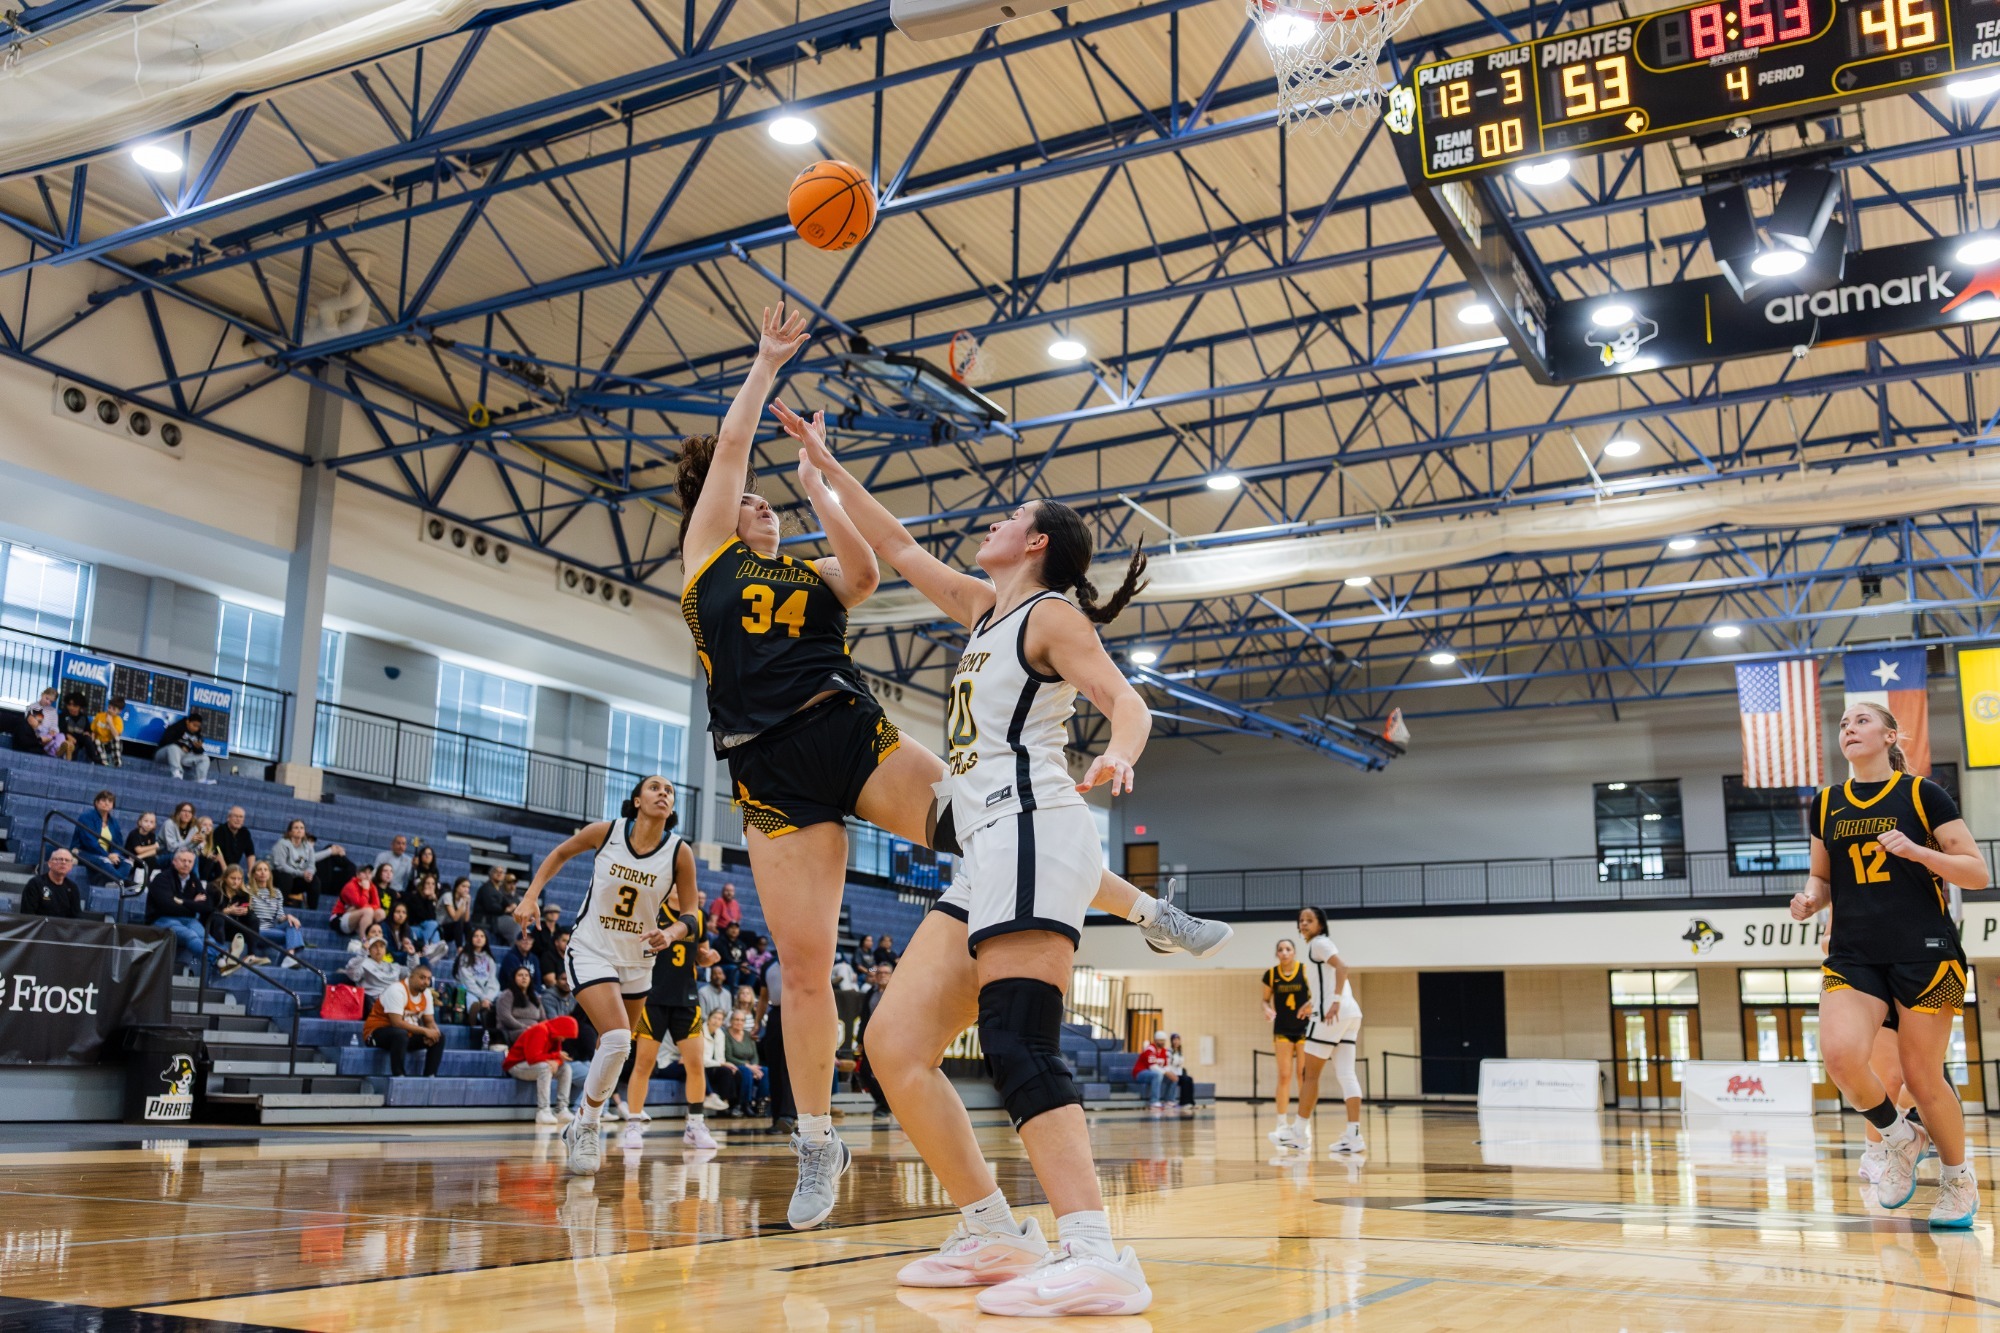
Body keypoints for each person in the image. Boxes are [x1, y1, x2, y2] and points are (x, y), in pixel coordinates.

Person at [733, 389, 1228, 1234]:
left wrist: (1120, 752)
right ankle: (994, 1228)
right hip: (989, 844)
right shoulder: (980, 605)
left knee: (1017, 1045)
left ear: (1034, 543)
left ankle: (1093, 1248)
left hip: (1033, 822)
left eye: (1010, 516)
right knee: (892, 1046)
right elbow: (892, 543)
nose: (993, 521)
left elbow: (1125, 699)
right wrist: (824, 467)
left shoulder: (1052, 613)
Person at [1788, 701, 1989, 1227]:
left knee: (1923, 1078)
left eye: (1861, 721)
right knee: (1839, 1056)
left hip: (1925, 951)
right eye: (1842, 724)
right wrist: (1811, 898)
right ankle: (1901, 1138)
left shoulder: (1923, 794)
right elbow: (1823, 876)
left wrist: (1921, 854)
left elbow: (1975, 872)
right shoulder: (1826, 802)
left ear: (1891, 736)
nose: (1848, 729)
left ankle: (1957, 1179)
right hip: (1854, 953)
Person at [512, 775, 699, 1176]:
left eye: (669, 790)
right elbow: (561, 853)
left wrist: (671, 932)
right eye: (654, 787)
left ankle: (581, 1119)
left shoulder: (679, 852)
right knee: (616, 1038)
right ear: (636, 800)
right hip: (592, 949)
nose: (663, 793)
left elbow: (691, 913)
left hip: (638, 959)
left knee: (615, 1050)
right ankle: (589, 1128)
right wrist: (531, 896)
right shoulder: (608, 832)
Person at [623, 845, 718, 1153]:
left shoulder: (697, 918)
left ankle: (695, 1125)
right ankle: (634, 1124)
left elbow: (699, 956)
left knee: (695, 1064)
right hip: (653, 996)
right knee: (643, 1064)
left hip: (687, 998)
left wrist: (708, 958)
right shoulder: (652, 910)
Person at [1276, 906, 1365, 1156]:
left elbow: (1342, 967)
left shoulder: (1319, 943)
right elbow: (1327, 981)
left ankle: (1299, 1133)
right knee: (1347, 1074)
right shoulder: (1321, 944)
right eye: (1301, 920)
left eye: (1309, 920)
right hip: (1351, 1012)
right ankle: (1353, 1135)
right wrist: (1312, 1003)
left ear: (1320, 924)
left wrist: (1333, 1001)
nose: (1304, 924)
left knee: (1309, 1074)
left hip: (1333, 1013)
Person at [1263, 939, 1312, 1146]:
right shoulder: (1271, 974)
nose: (1284, 952)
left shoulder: (1305, 970)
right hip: (1282, 1029)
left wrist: (1310, 1005)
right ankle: (1281, 1122)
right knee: (1284, 1076)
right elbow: (1265, 1000)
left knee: (1303, 1076)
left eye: (1288, 949)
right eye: (1280, 949)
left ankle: (1304, 1123)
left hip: (1304, 1028)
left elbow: (1316, 996)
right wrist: (1265, 1008)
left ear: (1294, 952)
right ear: (1277, 954)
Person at [365, 962, 443, 1078]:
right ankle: (399, 1075)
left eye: (428, 979)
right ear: (411, 977)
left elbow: (430, 1021)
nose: (426, 982)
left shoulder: (426, 993)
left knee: (439, 1037)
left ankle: (430, 1076)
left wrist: (434, 1033)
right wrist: (425, 1031)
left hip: (405, 1036)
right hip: (377, 1033)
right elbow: (396, 1023)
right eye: (422, 978)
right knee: (400, 1034)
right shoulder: (397, 990)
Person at [505, 1014, 579, 1125]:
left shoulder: (555, 1035)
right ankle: (543, 1110)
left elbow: (557, 1057)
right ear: (561, 1029)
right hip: (516, 1065)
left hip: (535, 1065)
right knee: (545, 1068)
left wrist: (556, 1060)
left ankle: (561, 1109)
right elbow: (533, 1057)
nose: (564, 1039)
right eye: (565, 1036)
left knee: (566, 1069)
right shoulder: (540, 1030)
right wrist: (554, 1057)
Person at [145, 848, 210, 971]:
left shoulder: (194, 879)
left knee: (206, 937)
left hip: (187, 919)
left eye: (190, 861)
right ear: (174, 861)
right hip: (161, 919)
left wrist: (183, 902)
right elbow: (167, 907)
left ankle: (222, 959)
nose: (187, 864)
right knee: (190, 935)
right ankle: (216, 960)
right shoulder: (162, 879)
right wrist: (193, 905)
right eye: (183, 860)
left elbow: (205, 906)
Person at [245, 860, 308, 968]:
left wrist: (289, 916)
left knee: (291, 923)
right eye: (259, 870)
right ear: (254, 874)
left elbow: (280, 917)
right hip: (255, 931)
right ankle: (289, 958)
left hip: (271, 930)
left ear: (269, 874)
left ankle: (289, 957)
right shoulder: (248, 890)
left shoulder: (276, 893)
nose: (263, 872)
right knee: (290, 935)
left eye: (265, 870)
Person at [271, 819, 341, 905]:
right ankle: (280, 906)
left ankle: (312, 910)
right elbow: (281, 866)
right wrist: (301, 873)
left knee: (314, 880)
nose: (299, 830)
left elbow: (311, 865)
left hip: (295, 879)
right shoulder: (282, 844)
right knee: (287, 877)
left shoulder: (308, 846)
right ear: (290, 832)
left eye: (302, 828)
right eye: (296, 828)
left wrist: (309, 874)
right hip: (277, 876)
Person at [68, 789, 128, 886]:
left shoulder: (113, 822)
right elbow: (89, 842)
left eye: (110, 801)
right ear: (96, 802)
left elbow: (118, 843)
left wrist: (115, 854)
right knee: (105, 862)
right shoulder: (86, 817)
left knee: (127, 863)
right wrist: (107, 855)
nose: (107, 803)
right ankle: (123, 882)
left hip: (107, 855)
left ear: (113, 805)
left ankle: (112, 881)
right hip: (84, 851)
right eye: (103, 800)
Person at [457, 928, 503, 1045]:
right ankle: (474, 1017)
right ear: (470, 939)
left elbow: (493, 980)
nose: (479, 938)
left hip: (487, 992)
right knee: (471, 999)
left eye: (482, 936)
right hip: (471, 990)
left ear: (486, 940)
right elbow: (467, 981)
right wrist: (483, 997)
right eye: (476, 936)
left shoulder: (489, 958)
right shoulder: (465, 957)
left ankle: (494, 1020)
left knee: (503, 997)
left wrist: (488, 998)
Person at [723, 1009, 766, 1115]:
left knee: (766, 1071)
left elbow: (754, 1055)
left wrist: (754, 1066)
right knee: (746, 1071)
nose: (739, 1022)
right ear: (731, 1021)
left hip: (750, 1065)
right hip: (734, 1065)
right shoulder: (726, 1035)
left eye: (742, 1020)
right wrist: (749, 1066)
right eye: (736, 1020)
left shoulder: (748, 1035)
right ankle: (745, 1104)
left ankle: (760, 1102)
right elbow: (728, 1056)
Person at [21, 848, 84, 918]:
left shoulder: (72, 888)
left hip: (63, 928)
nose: (63, 862)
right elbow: (27, 915)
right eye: (59, 859)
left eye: (67, 860)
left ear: (71, 867)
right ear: (49, 864)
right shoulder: (35, 884)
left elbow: (77, 917)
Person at [332, 863, 392, 937]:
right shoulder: (351, 885)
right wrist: (365, 889)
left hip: (356, 917)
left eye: (369, 873)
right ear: (358, 874)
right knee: (368, 911)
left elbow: (377, 905)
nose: (367, 875)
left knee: (381, 912)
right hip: (339, 918)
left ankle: (375, 937)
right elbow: (360, 904)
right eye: (364, 872)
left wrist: (357, 908)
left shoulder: (372, 886)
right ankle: (364, 941)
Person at [343, 935, 407, 1005]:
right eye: (374, 946)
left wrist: (412, 955)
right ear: (369, 950)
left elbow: (412, 974)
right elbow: (352, 973)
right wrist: (363, 952)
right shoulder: (363, 963)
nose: (378, 949)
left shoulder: (393, 966)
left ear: (385, 950)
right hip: (375, 1003)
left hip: (396, 1000)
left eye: (381, 946)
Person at [497, 965, 545, 1045]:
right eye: (520, 975)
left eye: (526, 975)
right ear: (514, 979)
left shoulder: (534, 997)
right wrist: (525, 1027)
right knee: (534, 1034)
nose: (524, 977)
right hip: (513, 1031)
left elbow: (543, 1019)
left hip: (535, 1030)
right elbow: (505, 1018)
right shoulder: (507, 995)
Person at [156, 712, 213, 782]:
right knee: (173, 747)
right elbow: (166, 740)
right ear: (187, 721)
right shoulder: (176, 727)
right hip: (164, 754)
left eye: (198, 727)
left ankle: (201, 779)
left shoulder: (197, 735)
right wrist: (180, 745)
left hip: (183, 758)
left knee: (205, 758)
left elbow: (197, 752)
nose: (196, 728)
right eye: (194, 725)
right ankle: (177, 773)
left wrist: (198, 748)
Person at [1132, 1032, 1172, 1109]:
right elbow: (1152, 1067)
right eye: (1160, 1040)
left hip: (1152, 1074)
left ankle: (1170, 1101)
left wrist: (1170, 1073)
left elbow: (1166, 1066)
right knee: (1157, 1074)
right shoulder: (1150, 1049)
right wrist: (1166, 1072)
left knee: (1173, 1077)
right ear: (1155, 1040)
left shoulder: (1164, 1051)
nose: (1162, 1042)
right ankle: (1154, 1101)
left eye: (1163, 1040)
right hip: (1140, 1073)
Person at [124, 811, 163, 886]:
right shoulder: (134, 833)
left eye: (151, 822)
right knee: (151, 859)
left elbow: (153, 852)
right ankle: (137, 882)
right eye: (146, 821)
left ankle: (148, 881)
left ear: (154, 825)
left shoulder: (152, 835)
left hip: (140, 858)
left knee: (155, 859)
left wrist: (139, 857)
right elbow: (138, 850)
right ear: (139, 822)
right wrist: (154, 846)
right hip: (130, 858)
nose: (148, 824)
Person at [213, 807, 256, 876]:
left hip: (234, 867)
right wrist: (226, 872)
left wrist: (251, 873)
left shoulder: (245, 832)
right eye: (235, 816)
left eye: (241, 817)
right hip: (218, 867)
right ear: (228, 818)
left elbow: (250, 854)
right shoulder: (220, 830)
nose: (238, 819)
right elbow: (218, 850)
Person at [57, 693, 98, 764]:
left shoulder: (84, 718)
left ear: (80, 707)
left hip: (79, 740)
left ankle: (95, 759)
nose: (71, 707)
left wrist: (89, 733)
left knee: (87, 739)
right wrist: (67, 735)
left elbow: (88, 731)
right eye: (69, 704)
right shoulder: (62, 716)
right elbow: (59, 729)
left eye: (75, 705)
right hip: (67, 740)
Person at [1167, 1033, 1198, 1114]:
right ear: (1171, 1041)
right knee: (1185, 1079)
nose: (1176, 1041)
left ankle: (1191, 1102)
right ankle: (1184, 1103)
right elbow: (1168, 1064)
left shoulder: (1180, 1052)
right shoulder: (1169, 1051)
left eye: (1178, 1040)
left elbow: (1180, 1065)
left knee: (1189, 1079)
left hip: (1179, 1073)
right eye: (1174, 1040)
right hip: (1172, 1074)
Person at [91, 696, 125, 767]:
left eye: (114, 709)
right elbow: (93, 732)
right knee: (97, 741)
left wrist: (110, 723)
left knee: (117, 739)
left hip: (110, 744)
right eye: (109, 707)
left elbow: (116, 735)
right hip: (99, 743)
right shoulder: (100, 716)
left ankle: (117, 763)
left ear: (119, 711)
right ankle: (104, 762)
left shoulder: (118, 720)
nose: (110, 710)